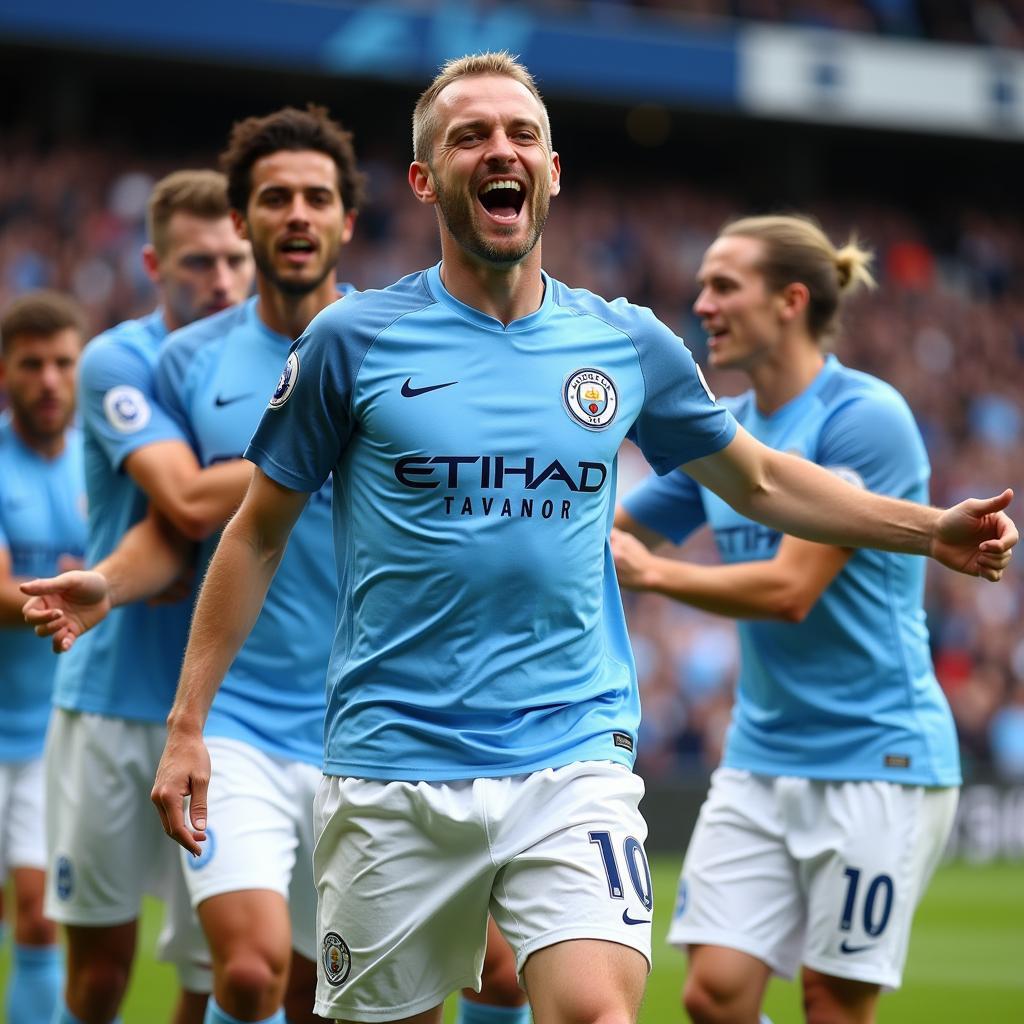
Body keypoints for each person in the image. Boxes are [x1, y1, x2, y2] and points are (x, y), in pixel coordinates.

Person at [147, 53, 1013, 1024]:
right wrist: (187, 724)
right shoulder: (352, 342)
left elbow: (760, 478)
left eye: (520, 133)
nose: (499, 149)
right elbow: (254, 536)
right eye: (469, 135)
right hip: (393, 757)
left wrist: (928, 528)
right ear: (427, 181)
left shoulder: (627, 343)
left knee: (597, 1013)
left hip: (572, 755)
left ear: (553, 171)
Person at [23, 109, 527, 1024]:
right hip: (242, 723)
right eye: (274, 198)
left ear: (346, 221)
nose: (296, 214)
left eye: (317, 198)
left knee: (439, 977)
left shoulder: (404, 344)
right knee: (246, 974)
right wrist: (107, 582)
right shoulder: (184, 361)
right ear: (244, 220)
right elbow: (170, 531)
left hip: (372, 721)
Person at [611, 214, 971, 1024]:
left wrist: (655, 574)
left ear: (790, 301)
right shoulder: (722, 433)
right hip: (762, 752)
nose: (700, 303)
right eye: (701, 284)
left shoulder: (862, 417)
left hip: (878, 755)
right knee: (713, 995)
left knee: (830, 1002)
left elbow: (790, 588)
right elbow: (615, 533)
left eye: (723, 285)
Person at [27, 170, 255, 1024]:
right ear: (156, 263)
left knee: (219, 971)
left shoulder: (277, 363)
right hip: (112, 697)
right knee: (97, 971)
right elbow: (188, 503)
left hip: (230, 711)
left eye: (237, 259)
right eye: (199, 262)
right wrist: (318, 444)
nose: (223, 281)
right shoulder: (121, 359)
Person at [0, 291, 88, 1023]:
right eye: (33, 365)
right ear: (7, 372)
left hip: (50, 738)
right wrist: (53, 598)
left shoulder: (101, 465)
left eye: (63, 363)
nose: (50, 380)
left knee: (38, 915)